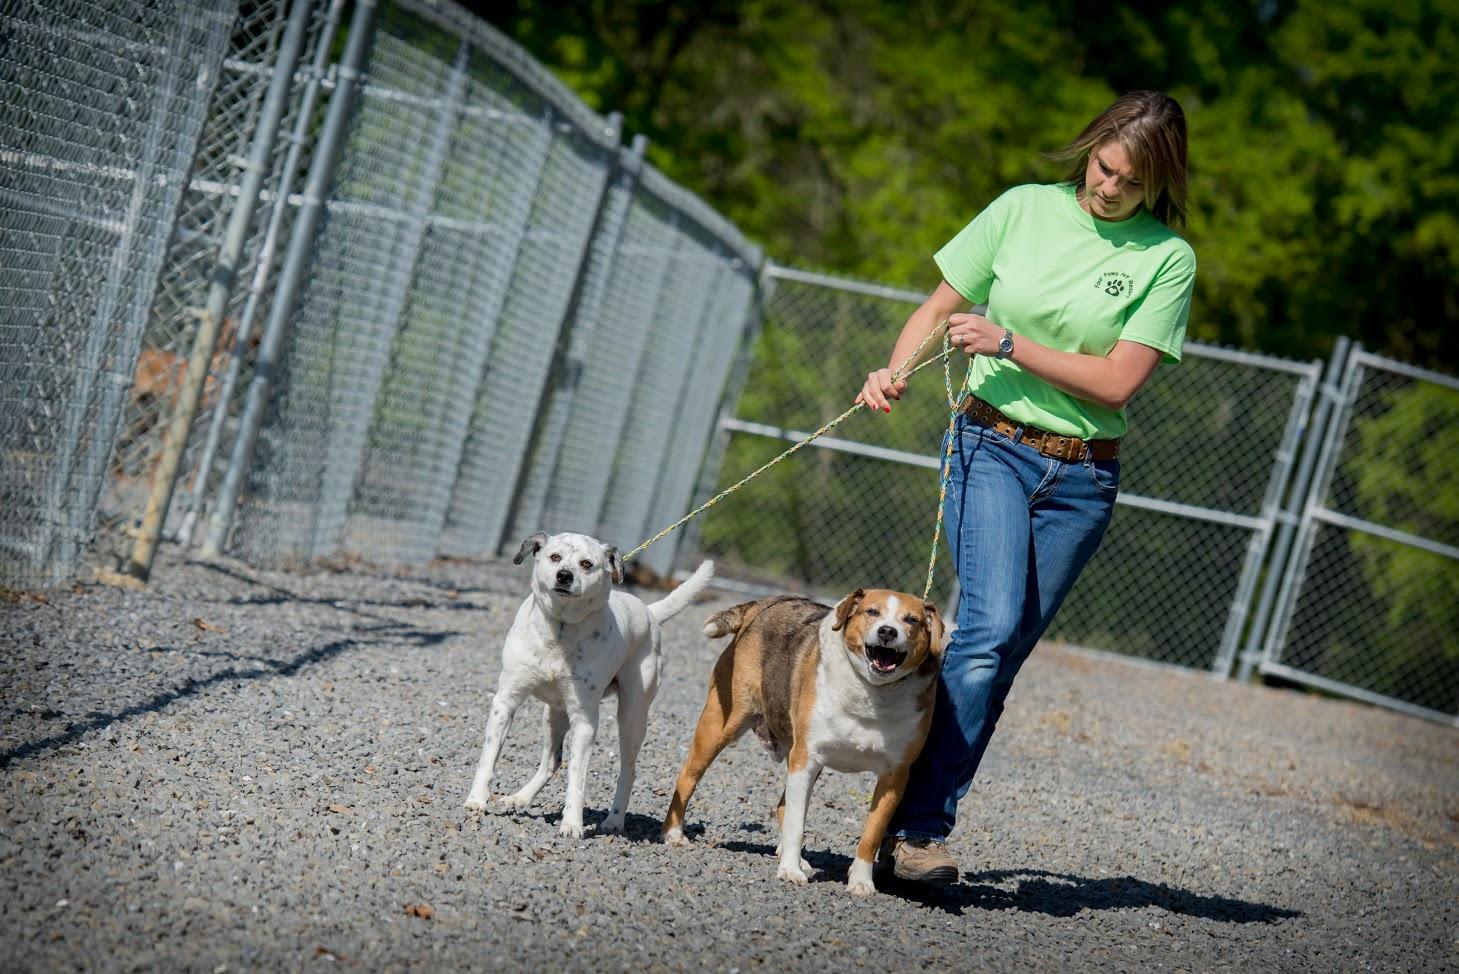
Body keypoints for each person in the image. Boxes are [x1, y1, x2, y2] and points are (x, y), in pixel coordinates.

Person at [855, 90, 1196, 884]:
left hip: (1083, 478)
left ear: (1158, 184)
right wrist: (894, 370)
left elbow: (1114, 384)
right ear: (1090, 148)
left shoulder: (1165, 259)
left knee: (997, 656)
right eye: (1103, 168)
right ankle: (916, 833)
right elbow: (939, 307)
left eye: (1129, 182)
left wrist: (1011, 341)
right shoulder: (1020, 210)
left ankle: (903, 816)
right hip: (990, 445)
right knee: (984, 629)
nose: (1107, 188)